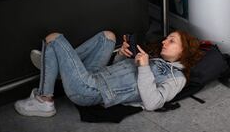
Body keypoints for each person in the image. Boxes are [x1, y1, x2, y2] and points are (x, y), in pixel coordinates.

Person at [14, 30, 203, 117]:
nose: (164, 42)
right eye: (166, 38)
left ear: (183, 51)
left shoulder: (177, 78)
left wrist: (144, 67)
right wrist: (122, 55)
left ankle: (44, 100)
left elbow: (153, 103)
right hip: (98, 75)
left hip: (91, 89)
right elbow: (120, 73)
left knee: (53, 39)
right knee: (108, 36)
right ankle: (57, 67)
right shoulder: (156, 58)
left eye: (171, 41)